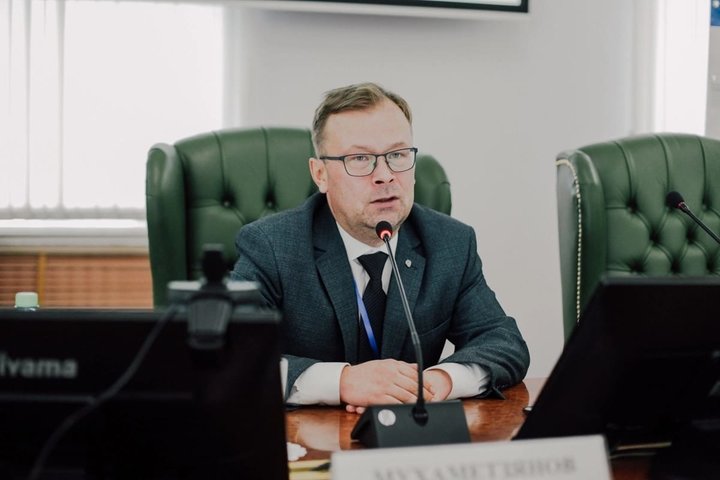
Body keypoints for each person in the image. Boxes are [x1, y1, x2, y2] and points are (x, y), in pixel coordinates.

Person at [231, 82, 529, 413]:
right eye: (360, 159)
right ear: (320, 174)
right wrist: (342, 382)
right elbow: (231, 359)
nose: (385, 176)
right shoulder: (272, 246)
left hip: (412, 436)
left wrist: (438, 382)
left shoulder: (450, 243)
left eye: (397, 155)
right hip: (310, 438)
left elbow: (503, 342)